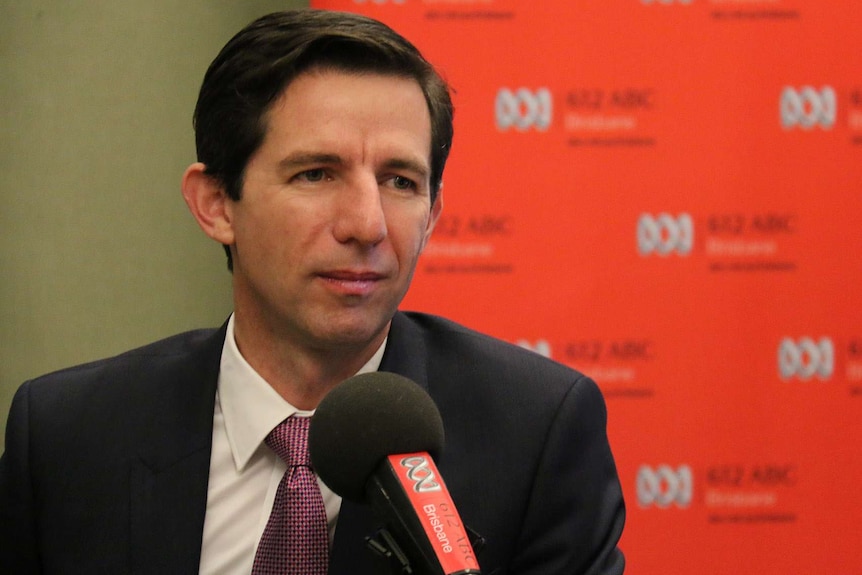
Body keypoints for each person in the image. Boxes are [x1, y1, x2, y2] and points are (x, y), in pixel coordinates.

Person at [0, 9, 625, 575]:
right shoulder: (68, 435)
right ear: (217, 204)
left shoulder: (537, 435)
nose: (368, 224)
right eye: (316, 174)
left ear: (434, 211)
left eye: (400, 181)